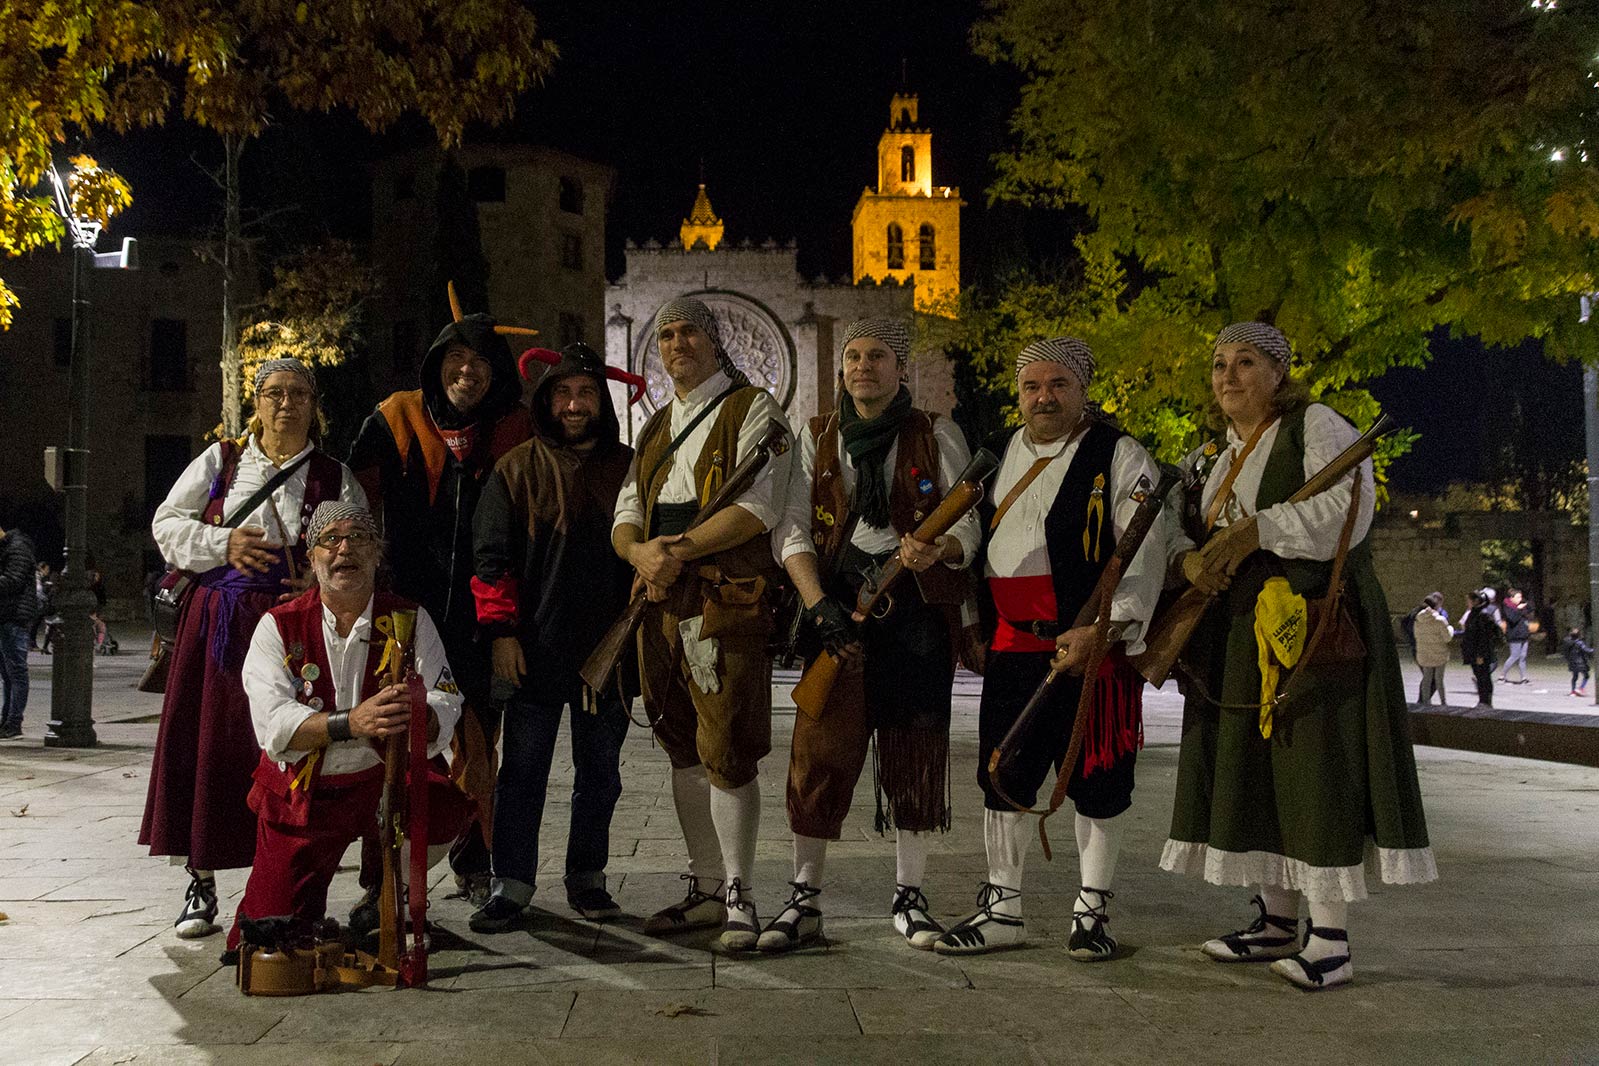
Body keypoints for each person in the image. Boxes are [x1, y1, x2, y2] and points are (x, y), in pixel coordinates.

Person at [1161, 322, 1435, 991]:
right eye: (1219, 364)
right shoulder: (1216, 453)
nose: (1227, 375)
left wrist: (1261, 528)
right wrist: (1193, 554)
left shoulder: (1316, 425)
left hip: (1309, 623)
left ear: (1279, 373)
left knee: (1314, 766)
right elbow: (1187, 525)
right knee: (1252, 768)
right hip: (1238, 629)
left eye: (1245, 362)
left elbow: (1347, 509)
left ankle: (1331, 939)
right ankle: (1276, 920)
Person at [932, 337, 1166, 961]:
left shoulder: (1119, 455)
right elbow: (972, 528)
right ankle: (1002, 910)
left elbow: (1143, 549)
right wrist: (944, 549)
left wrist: (1106, 628)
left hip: (1092, 647)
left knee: (1098, 780)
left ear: (1082, 390)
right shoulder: (1001, 452)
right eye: (1033, 386)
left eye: (1058, 384)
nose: (1044, 397)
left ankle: (1090, 914)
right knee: (1003, 776)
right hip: (1014, 647)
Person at [762, 318, 980, 953]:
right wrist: (818, 605)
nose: (862, 366)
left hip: (915, 614)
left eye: (877, 356)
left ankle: (910, 897)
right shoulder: (817, 436)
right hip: (840, 610)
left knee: (914, 753)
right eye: (853, 356)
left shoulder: (937, 432)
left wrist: (940, 548)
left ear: (901, 368)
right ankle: (804, 901)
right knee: (817, 753)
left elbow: (971, 525)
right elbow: (793, 528)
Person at [142, 358, 364, 940]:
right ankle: (202, 881)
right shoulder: (222, 461)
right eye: (273, 393)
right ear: (256, 404)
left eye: (298, 393)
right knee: (214, 747)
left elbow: (360, 542)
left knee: (291, 755)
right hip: (219, 627)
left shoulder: (334, 476)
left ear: (315, 406)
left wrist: (321, 582)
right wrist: (223, 543)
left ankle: (289, 889)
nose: (285, 403)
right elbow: (167, 524)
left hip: (297, 631)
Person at [611, 297, 793, 951]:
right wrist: (639, 553)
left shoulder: (753, 411)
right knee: (680, 743)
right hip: (659, 603)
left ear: (716, 344)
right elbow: (628, 508)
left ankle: (740, 897)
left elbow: (757, 507)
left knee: (726, 750)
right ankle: (707, 888)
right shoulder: (658, 424)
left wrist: (675, 551)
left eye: (689, 331)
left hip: (723, 603)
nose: (676, 343)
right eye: (665, 334)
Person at [347, 285, 535, 916]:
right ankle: (382, 882)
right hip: (405, 611)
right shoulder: (395, 417)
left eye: (481, 362)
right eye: (456, 359)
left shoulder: (515, 428)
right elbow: (353, 506)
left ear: (496, 372)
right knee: (398, 744)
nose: (467, 372)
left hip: (483, 621)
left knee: (480, 747)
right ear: (435, 363)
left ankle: (473, 861)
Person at [227, 502, 466, 962]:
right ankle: (307, 906)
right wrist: (351, 722)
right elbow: (273, 724)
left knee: (441, 806)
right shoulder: (277, 627)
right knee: (267, 933)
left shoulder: (411, 619)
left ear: (377, 553)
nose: (344, 550)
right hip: (308, 790)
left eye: (358, 538)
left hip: (383, 777)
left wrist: (416, 710)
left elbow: (445, 697)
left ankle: (382, 896)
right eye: (330, 540)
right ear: (312, 558)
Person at [467, 343, 642, 932]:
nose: (574, 404)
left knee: (601, 774)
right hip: (533, 650)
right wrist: (501, 635)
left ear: (602, 402)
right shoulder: (516, 467)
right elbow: (491, 560)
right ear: (547, 401)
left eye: (586, 393)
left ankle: (588, 881)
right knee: (521, 775)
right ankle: (511, 885)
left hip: (607, 654)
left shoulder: (630, 466)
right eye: (563, 394)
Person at [0, 522, 39, 740]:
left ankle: (14, 723)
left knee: (16, 673)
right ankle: (6, 720)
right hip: (5, 617)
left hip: (15, 617)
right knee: (7, 674)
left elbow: (13, 581)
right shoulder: (6, 548)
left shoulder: (17, 548)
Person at [1461, 589, 1501, 708]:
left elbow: (1484, 637)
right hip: (1474, 651)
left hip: (1480, 653)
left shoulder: (1483, 615)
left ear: (1476, 601)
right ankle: (1482, 700)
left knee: (1484, 677)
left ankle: (1486, 701)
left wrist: (1480, 654)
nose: (1467, 602)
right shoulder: (1474, 613)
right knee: (1479, 676)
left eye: (1469, 600)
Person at [1413, 592, 1453, 706]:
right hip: (1439, 653)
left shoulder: (1418, 619)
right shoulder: (1440, 620)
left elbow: (1416, 635)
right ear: (1436, 606)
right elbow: (1447, 638)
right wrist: (1450, 628)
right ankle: (1443, 702)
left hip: (1424, 653)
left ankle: (1426, 702)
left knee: (1426, 679)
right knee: (1439, 679)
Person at [1499, 588, 1532, 685]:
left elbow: (1530, 608)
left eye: (1521, 597)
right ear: (1511, 598)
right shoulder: (1508, 607)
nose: (1520, 599)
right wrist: (1518, 609)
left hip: (1524, 634)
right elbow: (1513, 619)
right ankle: (1502, 676)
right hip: (1514, 635)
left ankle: (1524, 678)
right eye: (1518, 597)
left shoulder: (1521, 606)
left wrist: (1525, 603)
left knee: (1523, 657)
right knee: (1514, 656)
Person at [1561, 627, 1591, 697]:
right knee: (1586, 676)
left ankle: (1573, 691)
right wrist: (1594, 650)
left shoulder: (1567, 642)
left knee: (1574, 677)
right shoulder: (1579, 643)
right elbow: (1586, 650)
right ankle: (1581, 688)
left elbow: (1565, 653)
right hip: (1581, 663)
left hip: (1572, 662)